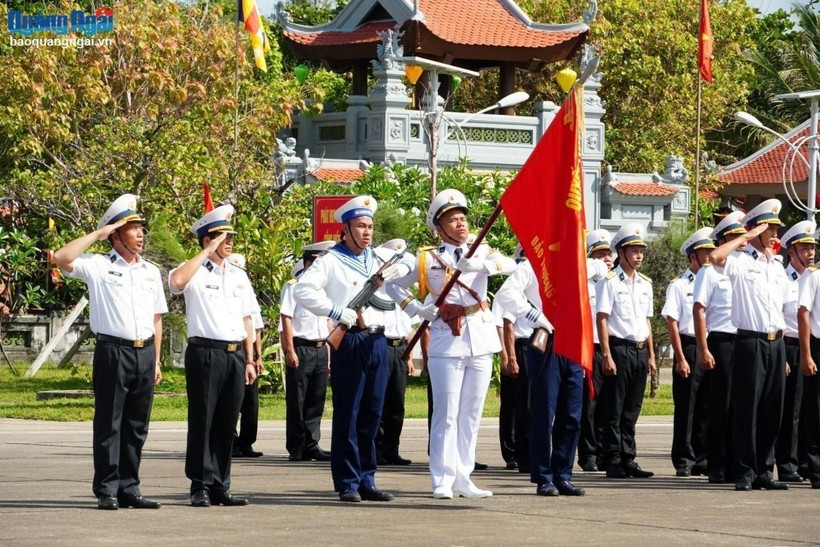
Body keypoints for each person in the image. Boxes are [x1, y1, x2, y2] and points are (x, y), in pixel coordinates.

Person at [386, 189, 515, 499]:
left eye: (462, 218)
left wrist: (482, 266)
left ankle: (463, 476)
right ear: (439, 227)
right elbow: (392, 284)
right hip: (447, 338)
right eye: (452, 220)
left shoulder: (481, 250)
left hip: (480, 338)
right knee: (446, 413)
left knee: (472, 412)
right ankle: (442, 479)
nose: (460, 224)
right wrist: (416, 308)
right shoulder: (428, 257)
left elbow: (509, 264)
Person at [53, 194, 167, 510]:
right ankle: (107, 489)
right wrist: (97, 235)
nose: (141, 234)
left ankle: (130, 487)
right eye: (133, 229)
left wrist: (156, 359)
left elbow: (156, 319)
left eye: (142, 228)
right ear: (116, 234)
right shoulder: (98, 266)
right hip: (112, 351)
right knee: (109, 423)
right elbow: (62, 258)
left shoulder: (151, 271)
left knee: (136, 426)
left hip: (144, 354)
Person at [294, 195, 411, 502]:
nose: (367, 232)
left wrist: (401, 268)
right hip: (351, 340)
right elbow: (303, 290)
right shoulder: (330, 261)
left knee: (374, 412)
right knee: (349, 411)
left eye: (370, 226)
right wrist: (336, 311)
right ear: (345, 228)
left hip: (378, 340)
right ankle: (348, 481)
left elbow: (411, 259)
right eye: (360, 226)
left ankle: (367, 477)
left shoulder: (377, 258)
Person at [169, 204, 258, 507]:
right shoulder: (192, 270)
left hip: (234, 355)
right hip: (205, 352)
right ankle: (199, 484)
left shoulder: (238, 275)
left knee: (226, 422)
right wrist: (207, 253)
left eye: (231, 236)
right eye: (221, 236)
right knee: (203, 420)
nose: (229, 242)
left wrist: (249, 358)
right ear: (207, 240)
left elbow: (247, 318)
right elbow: (176, 283)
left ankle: (221, 484)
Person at [707, 198, 789, 491]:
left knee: (772, 410)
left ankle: (765, 471)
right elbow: (715, 257)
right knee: (747, 409)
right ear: (757, 230)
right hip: (749, 342)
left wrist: (785, 349)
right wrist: (745, 236)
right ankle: (745, 471)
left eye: (777, 228)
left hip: (776, 344)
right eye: (770, 229)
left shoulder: (777, 266)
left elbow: (784, 309)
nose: (775, 234)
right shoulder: (741, 262)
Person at [496, 250, 586, 497]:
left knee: (572, 415)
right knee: (544, 414)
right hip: (548, 343)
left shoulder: (577, 264)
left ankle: (563, 474)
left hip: (573, 342)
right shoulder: (533, 266)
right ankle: (543, 476)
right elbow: (506, 294)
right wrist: (536, 316)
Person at [596, 222, 656, 479]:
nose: (639, 255)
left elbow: (647, 320)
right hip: (619, 348)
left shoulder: (645, 283)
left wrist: (652, 355)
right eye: (633, 251)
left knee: (632, 408)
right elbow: (602, 318)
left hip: (640, 349)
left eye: (641, 250)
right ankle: (612, 459)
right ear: (621, 253)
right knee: (614, 408)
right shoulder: (609, 281)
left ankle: (629, 457)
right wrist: (607, 355)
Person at [693, 211, 746, 484]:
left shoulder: (747, 266)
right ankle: (716, 463)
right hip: (721, 341)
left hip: (745, 340)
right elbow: (699, 310)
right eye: (737, 236)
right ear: (726, 239)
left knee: (741, 406)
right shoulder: (709, 271)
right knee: (720, 405)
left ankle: (737, 462)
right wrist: (704, 349)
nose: (743, 240)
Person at [662, 227, 714, 477]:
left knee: (706, 404)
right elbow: (672, 322)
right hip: (689, 345)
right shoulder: (680, 285)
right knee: (687, 406)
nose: (710, 257)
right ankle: (684, 458)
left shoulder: (713, 281)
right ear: (693, 256)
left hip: (709, 346)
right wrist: (680, 357)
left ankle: (702, 456)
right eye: (705, 253)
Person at [281, 241, 335, 462]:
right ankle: (296, 446)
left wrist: (330, 355)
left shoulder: (324, 290)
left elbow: (329, 322)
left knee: (316, 399)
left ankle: (312, 443)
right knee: (297, 399)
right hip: (301, 346)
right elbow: (286, 319)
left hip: (321, 348)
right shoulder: (294, 286)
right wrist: (289, 350)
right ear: (308, 262)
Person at [371, 239, 416, 466]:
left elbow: (409, 327)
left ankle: (392, 449)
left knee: (396, 403)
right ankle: (376, 449)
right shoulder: (378, 288)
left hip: (400, 349)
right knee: (378, 400)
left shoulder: (402, 291)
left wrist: (409, 354)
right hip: (382, 345)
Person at [776, 220, 815, 482]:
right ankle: (787, 464)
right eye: (805, 248)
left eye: (812, 247)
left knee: (810, 408)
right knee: (790, 409)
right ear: (792, 251)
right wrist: (781, 354)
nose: (811, 253)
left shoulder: (814, 277)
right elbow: (776, 314)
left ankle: (805, 462)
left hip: (811, 345)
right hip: (788, 345)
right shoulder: (781, 276)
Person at [577, 229, 614, 472]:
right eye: (600, 254)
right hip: (590, 347)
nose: (606, 259)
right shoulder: (585, 282)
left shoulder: (618, 281)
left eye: (609, 254)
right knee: (588, 404)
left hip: (612, 347)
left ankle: (605, 451)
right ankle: (588, 454)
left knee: (609, 404)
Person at [497, 244, 533, 473]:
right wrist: (509, 356)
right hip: (522, 347)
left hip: (540, 346)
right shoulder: (514, 287)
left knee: (536, 405)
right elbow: (506, 323)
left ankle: (532, 451)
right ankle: (521, 454)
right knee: (522, 406)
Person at [227, 253, 265, 459]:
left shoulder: (246, 292)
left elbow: (255, 328)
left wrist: (258, 356)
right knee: (231, 398)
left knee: (251, 403)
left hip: (248, 352)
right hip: (233, 348)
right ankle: (230, 442)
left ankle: (246, 443)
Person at [796, 226, 820, 490]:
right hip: (817, 345)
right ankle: (816, 468)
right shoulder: (813, 277)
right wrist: (807, 354)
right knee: (815, 410)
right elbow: (803, 314)